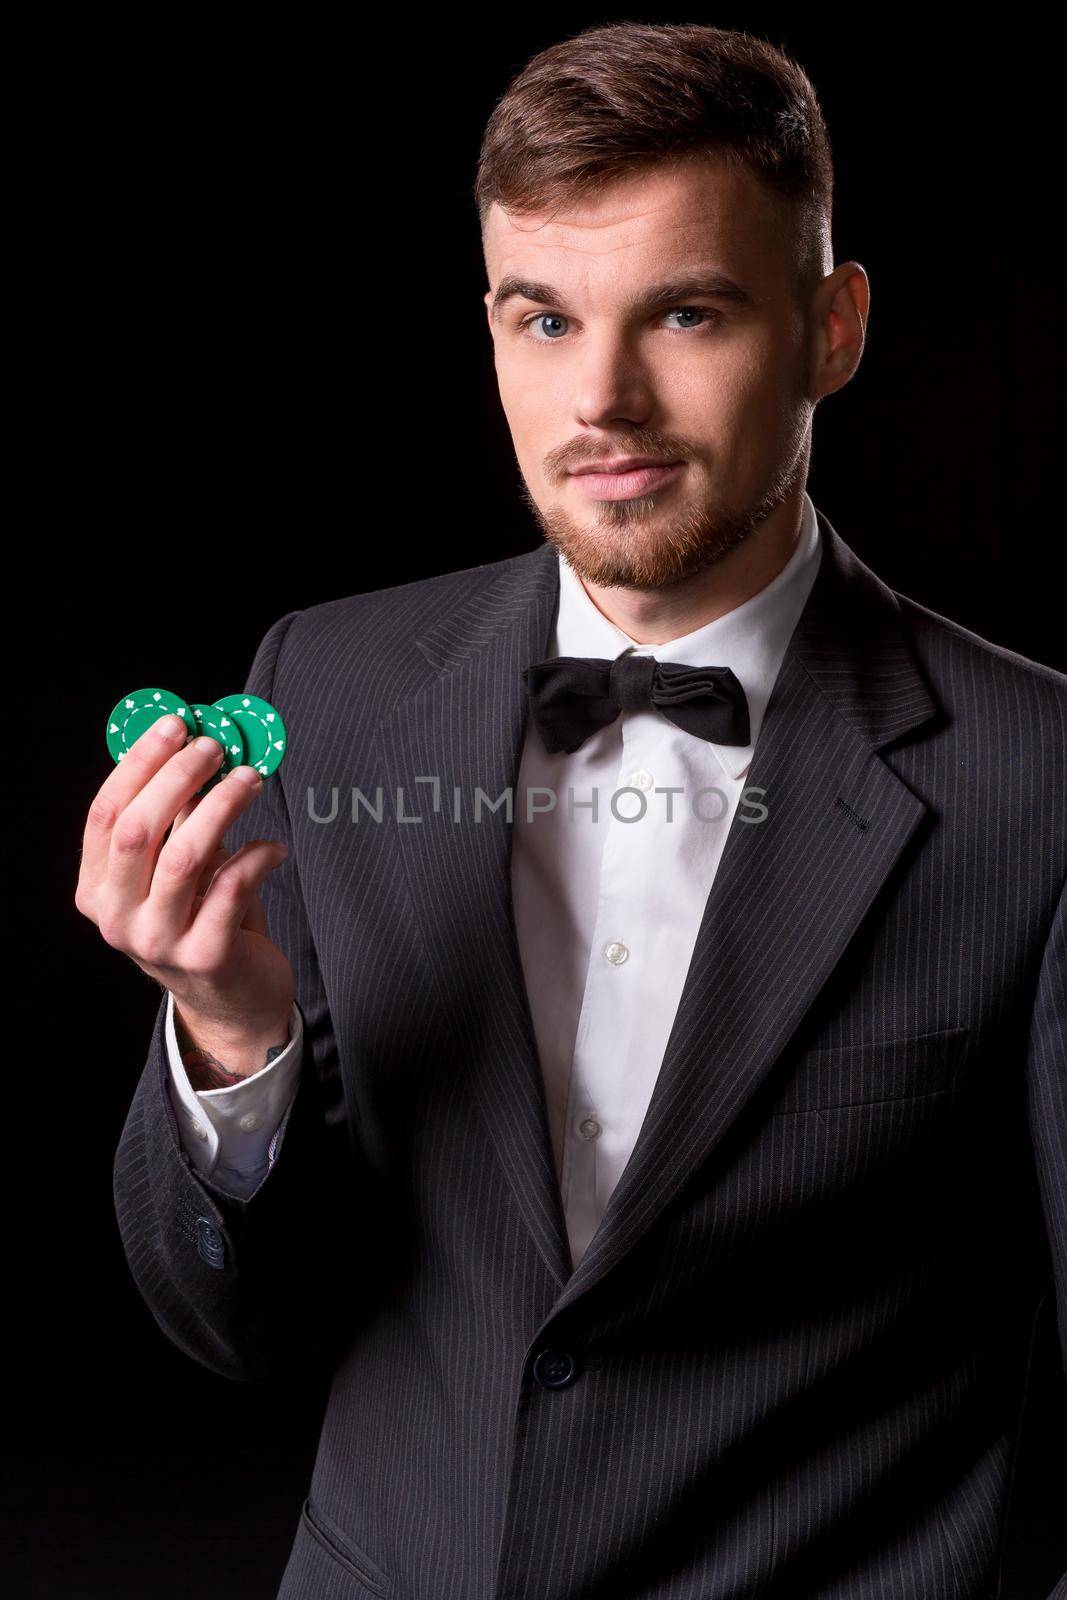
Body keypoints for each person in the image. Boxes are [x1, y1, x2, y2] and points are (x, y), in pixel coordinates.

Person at [78, 22, 1066, 1599]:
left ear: (833, 328)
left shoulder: (1042, 780)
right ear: (490, 325)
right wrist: (227, 1036)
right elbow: (231, 1327)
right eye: (546, 319)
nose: (600, 397)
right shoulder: (322, 686)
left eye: (687, 312)